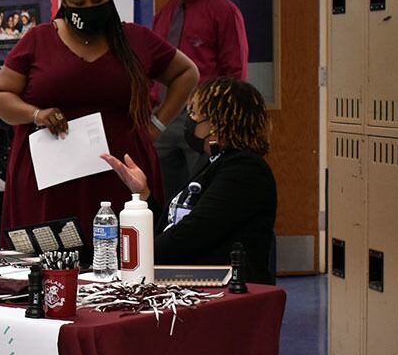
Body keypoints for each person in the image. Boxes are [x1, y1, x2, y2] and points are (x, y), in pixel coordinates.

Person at [0, 0, 199, 254]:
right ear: (64, 0)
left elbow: (187, 73)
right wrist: (35, 114)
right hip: (50, 180)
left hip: (120, 175)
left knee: (125, 262)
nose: (89, 7)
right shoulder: (38, 40)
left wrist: (158, 124)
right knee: (50, 267)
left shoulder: (135, 38)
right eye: (79, 1)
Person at [102, 77, 277, 284]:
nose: (188, 119)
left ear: (217, 123)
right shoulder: (211, 162)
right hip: (190, 283)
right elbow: (173, 226)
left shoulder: (245, 171)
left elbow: (191, 235)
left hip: (223, 292)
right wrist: (144, 193)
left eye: (194, 113)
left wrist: (129, 259)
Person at [152, 0, 249, 199]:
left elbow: (235, 70)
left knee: (201, 189)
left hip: (203, 116)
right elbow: (153, 66)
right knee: (164, 192)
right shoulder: (164, 14)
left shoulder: (223, 10)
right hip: (163, 115)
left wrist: (224, 118)